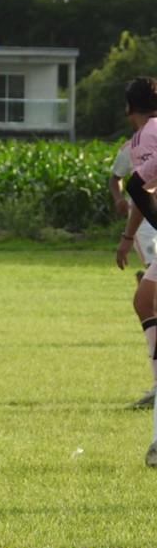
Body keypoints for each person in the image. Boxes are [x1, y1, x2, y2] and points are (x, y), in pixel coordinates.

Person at [114, 76, 157, 465]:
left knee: (145, 301)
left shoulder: (148, 135)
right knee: (144, 300)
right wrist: (128, 236)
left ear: (130, 107)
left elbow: (138, 186)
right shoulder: (141, 138)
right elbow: (137, 190)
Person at [110, 135, 157, 409]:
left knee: (146, 299)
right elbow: (132, 186)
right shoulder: (134, 145)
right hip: (147, 228)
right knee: (144, 299)